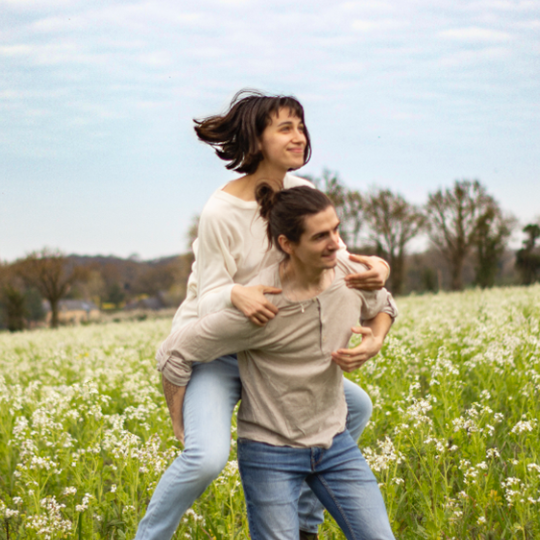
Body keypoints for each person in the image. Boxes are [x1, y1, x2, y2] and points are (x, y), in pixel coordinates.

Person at [134, 91, 391, 540]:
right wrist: (237, 293)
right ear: (257, 139)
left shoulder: (304, 192)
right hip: (219, 346)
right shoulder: (222, 210)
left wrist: (379, 271)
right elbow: (208, 293)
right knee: (206, 458)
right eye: (285, 128)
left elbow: (337, 257)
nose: (299, 136)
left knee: (357, 409)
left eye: (301, 126)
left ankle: (305, 525)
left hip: (270, 344)